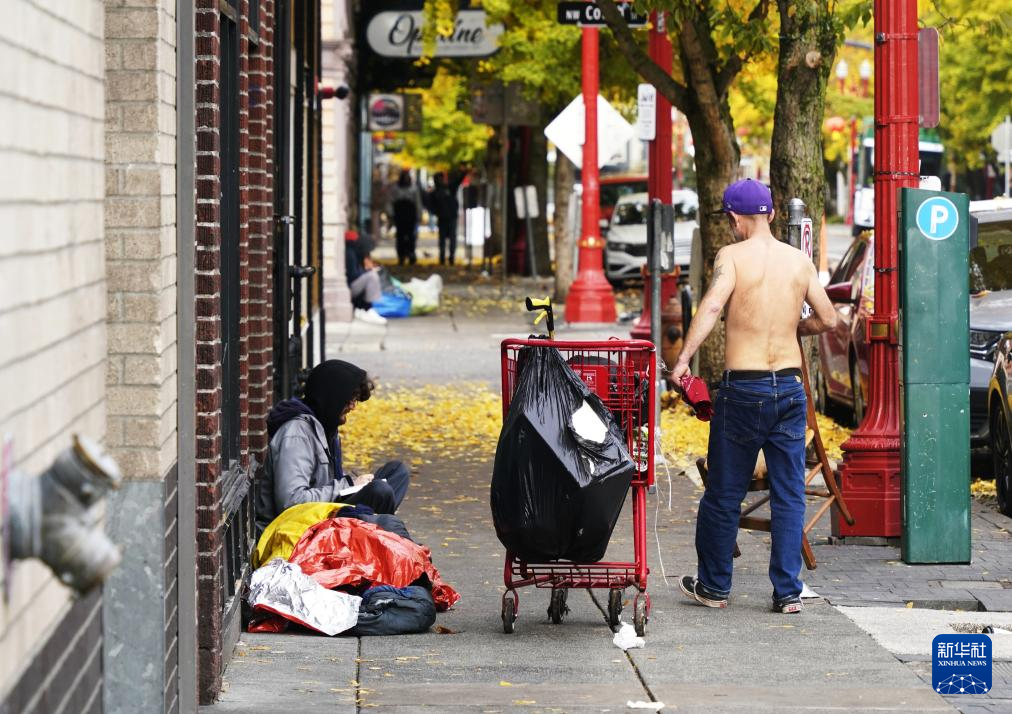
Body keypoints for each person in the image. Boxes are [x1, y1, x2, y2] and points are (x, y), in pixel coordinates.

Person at [668, 179, 838, 615]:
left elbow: (709, 307)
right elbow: (829, 318)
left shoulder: (731, 257)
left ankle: (714, 586)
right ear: (773, 214)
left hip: (744, 389)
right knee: (789, 494)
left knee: (724, 493)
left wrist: (683, 359)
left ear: (733, 218)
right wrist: (796, 329)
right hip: (789, 387)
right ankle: (787, 592)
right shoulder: (798, 261)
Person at [255, 360, 410, 532]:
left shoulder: (326, 427)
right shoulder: (296, 433)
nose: (352, 406)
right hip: (298, 529)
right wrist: (348, 484)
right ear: (331, 398)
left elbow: (324, 481)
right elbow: (291, 502)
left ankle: (376, 529)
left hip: (323, 512)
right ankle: (382, 532)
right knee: (380, 493)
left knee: (397, 472)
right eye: (349, 399)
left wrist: (353, 485)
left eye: (355, 400)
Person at [344, 230, 387, 326]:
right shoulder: (350, 254)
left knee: (371, 275)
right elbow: (353, 275)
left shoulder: (354, 253)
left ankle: (367, 308)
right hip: (351, 286)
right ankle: (368, 308)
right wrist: (367, 272)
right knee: (372, 276)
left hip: (353, 285)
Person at [430, 171, 465, 265]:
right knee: (442, 239)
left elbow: (458, 182)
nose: (441, 181)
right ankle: (442, 257)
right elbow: (431, 205)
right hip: (442, 218)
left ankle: (451, 257)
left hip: (451, 216)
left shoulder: (450, 188)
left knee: (452, 238)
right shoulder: (435, 193)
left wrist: (463, 172)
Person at [389, 170, 422, 265]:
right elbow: (391, 201)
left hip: (410, 214)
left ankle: (411, 253)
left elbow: (417, 202)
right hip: (400, 214)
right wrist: (391, 213)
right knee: (400, 236)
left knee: (411, 236)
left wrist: (419, 214)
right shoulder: (396, 188)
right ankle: (401, 255)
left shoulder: (414, 188)